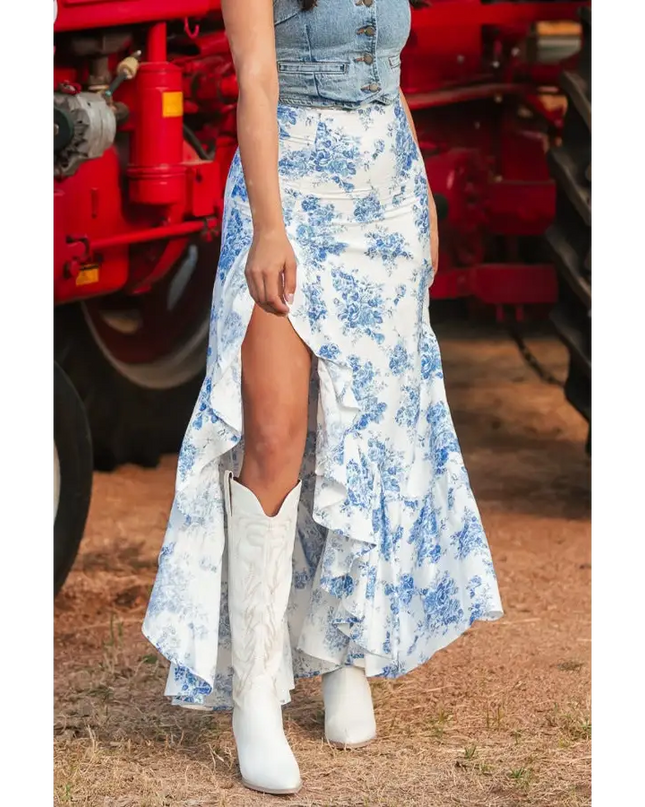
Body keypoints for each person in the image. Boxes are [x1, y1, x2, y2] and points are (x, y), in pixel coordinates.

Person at [143, 0, 503, 796]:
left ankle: (343, 652)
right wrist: (269, 227)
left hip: (385, 191)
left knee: (365, 431)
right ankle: (255, 702)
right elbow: (257, 80)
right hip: (292, 185)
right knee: (273, 438)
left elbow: (388, 73)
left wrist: (423, 193)